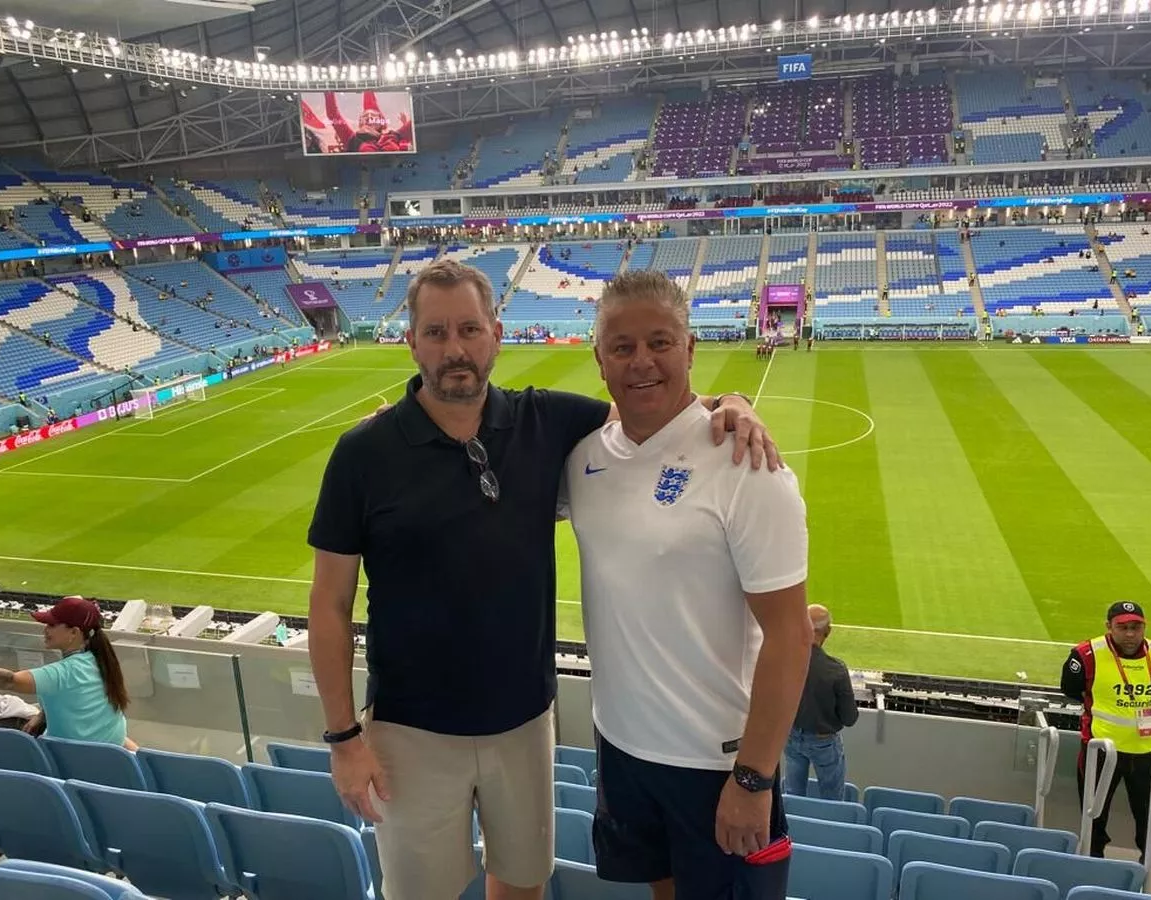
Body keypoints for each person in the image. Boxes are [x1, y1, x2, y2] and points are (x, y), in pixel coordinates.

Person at [307, 258, 781, 900]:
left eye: (470, 330)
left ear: (496, 335)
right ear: (411, 339)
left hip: (525, 725)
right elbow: (329, 605)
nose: (456, 349)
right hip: (409, 734)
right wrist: (342, 739)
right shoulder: (363, 455)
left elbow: (654, 410)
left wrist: (733, 403)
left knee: (524, 884)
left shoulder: (551, 424)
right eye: (438, 332)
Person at [561, 271, 811, 899]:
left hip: (714, 763)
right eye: (621, 347)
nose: (641, 361)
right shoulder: (582, 459)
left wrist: (753, 780)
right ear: (598, 360)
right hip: (620, 744)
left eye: (660, 342)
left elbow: (791, 634)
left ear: (691, 348)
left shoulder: (747, 467)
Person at [1061, 601, 1151, 871]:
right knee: (1094, 814)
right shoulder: (1087, 654)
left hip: (1150, 753)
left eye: (1136, 627)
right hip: (1101, 751)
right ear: (1108, 626)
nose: (1130, 634)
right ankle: (1092, 860)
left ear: (1144, 627)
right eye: (1123, 627)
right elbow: (1072, 689)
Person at [0, 596, 134, 748]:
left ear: (74, 633)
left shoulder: (66, 672)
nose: (45, 630)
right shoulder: (99, 659)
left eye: (52, 625)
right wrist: (43, 716)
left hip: (75, 760)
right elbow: (72, 697)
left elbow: (10, 681)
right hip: (111, 753)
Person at [783, 604, 859, 800]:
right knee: (832, 798)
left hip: (791, 735)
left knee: (792, 794)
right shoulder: (835, 670)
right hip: (823, 742)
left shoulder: (785, 661)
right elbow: (850, 718)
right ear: (828, 631)